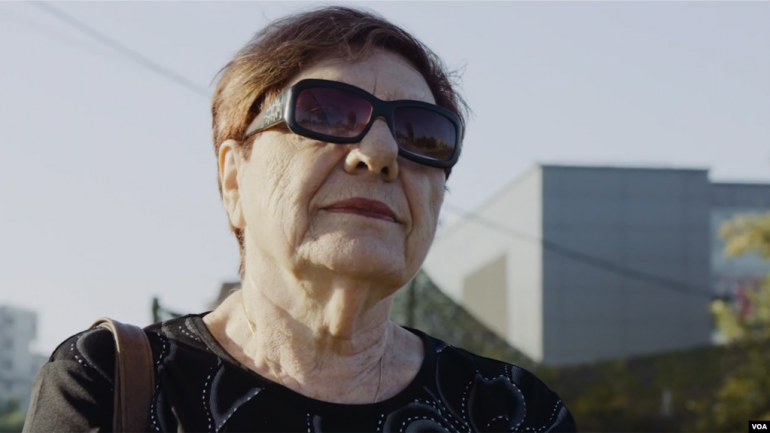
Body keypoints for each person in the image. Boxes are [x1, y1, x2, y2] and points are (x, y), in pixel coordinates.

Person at [24, 7, 577, 432]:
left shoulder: (514, 410)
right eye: (327, 113)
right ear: (233, 178)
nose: (381, 152)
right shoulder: (110, 382)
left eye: (420, 133)